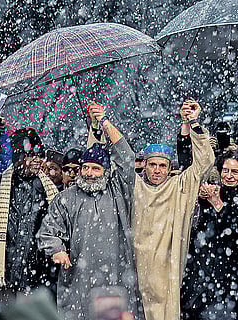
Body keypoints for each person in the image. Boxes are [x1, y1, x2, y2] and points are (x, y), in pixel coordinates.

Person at [37, 103, 144, 320]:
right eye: (85, 167)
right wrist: (56, 249)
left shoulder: (118, 190)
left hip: (117, 279)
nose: (89, 173)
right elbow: (47, 231)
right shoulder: (66, 198)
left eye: (96, 168)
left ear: (106, 172)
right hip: (79, 282)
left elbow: (127, 158)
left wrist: (104, 122)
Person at [134, 98, 215, 320]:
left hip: (168, 271)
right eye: (152, 164)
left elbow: (205, 162)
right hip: (135, 270)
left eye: (162, 165)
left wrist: (194, 123)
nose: (157, 170)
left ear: (170, 168)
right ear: (145, 165)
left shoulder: (179, 186)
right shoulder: (135, 187)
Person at [0, 128, 58, 301]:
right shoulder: (0, 184)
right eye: (31, 156)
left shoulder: (47, 188)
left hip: (36, 273)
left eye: (39, 156)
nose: (36, 161)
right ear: (19, 157)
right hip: (4, 273)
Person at [181, 148, 238, 319]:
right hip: (201, 278)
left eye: (235, 171)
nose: (229, 176)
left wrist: (218, 205)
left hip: (232, 282)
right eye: (225, 170)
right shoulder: (210, 194)